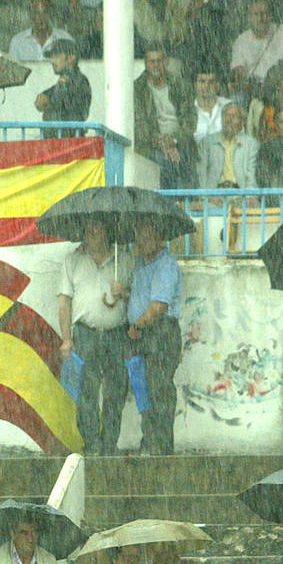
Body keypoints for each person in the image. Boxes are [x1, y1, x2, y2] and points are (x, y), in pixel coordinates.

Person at [59, 220, 131, 457]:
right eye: (89, 229)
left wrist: (125, 293)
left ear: (107, 232)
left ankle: (109, 444)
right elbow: (65, 301)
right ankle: (91, 444)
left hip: (117, 335)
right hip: (85, 334)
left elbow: (138, 299)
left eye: (98, 228)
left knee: (115, 391)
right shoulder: (73, 260)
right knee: (86, 393)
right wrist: (67, 338)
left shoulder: (125, 259)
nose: (93, 233)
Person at [128, 220, 183, 456]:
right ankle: (150, 439)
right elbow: (142, 298)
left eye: (147, 236)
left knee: (159, 388)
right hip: (143, 334)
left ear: (160, 239)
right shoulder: (142, 266)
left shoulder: (166, 266)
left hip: (160, 332)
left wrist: (137, 324)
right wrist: (125, 294)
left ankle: (162, 445)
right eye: (140, 236)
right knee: (144, 389)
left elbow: (158, 306)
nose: (142, 241)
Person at [133, 47, 196, 189]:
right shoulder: (138, 89)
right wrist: (162, 142)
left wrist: (173, 139)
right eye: (152, 61)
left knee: (186, 155)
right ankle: (171, 204)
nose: (156, 65)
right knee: (166, 160)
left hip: (180, 141)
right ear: (145, 64)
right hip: (151, 145)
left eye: (159, 61)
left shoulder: (180, 85)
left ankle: (188, 203)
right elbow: (140, 126)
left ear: (166, 62)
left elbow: (190, 121)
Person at [230, 0, 283, 98]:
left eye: (264, 13)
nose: (261, 18)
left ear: (270, 16)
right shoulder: (241, 40)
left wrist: (270, 84)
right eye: (256, 14)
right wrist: (248, 83)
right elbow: (238, 70)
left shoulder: (282, 32)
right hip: (252, 90)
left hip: (279, 87)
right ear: (249, 17)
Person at [36, 38, 92, 136]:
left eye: (56, 56)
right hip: (63, 141)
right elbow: (46, 98)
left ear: (71, 58)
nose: (52, 61)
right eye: (51, 57)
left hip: (67, 142)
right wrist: (43, 97)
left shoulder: (75, 80)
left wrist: (47, 101)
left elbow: (58, 101)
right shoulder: (69, 80)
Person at [197, 101, 259, 189]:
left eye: (234, 117)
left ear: (242, 122)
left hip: (241, 195)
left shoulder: (251, 144)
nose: (229, 120)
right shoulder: (207, 142)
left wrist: (250, 196)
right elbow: (201, 174)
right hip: (213, 195)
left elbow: (251, 175)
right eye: (226, 115)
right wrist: (207, 197)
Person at [8, 0, 75, 62]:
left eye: (45, 12)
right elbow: (12, 70)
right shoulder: (18, 41)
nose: (41, 17)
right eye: (37, 13)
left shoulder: (65, 38)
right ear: (30, 15)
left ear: (52, 14)